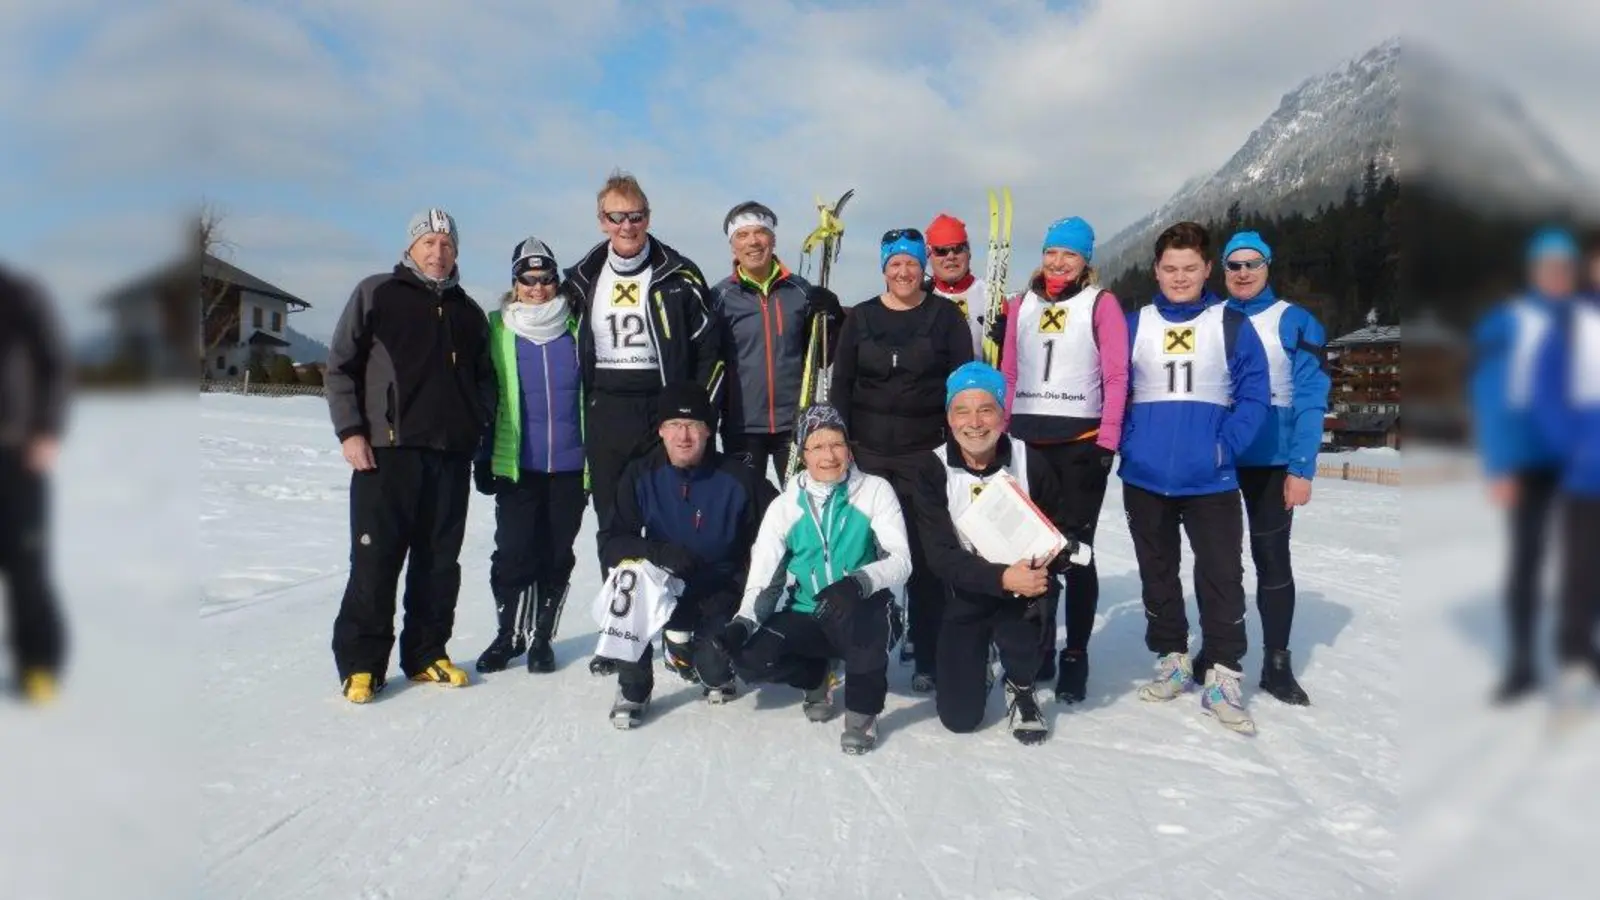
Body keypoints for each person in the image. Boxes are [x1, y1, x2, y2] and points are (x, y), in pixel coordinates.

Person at [326, 208, 495, 703]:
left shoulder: (468, 311)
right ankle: (361, 664)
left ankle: (426, 653)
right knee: (376, 559)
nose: (437, 252)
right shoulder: (377, 293)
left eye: (446, 244)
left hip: (449, 456)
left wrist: (476, 422)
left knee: (439, 561)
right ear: (410, 249)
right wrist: (351, 431)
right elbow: (341, 368)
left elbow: (485, 379)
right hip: (386, 454)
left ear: (456, 251)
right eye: (429, 243)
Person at [565, 171, 723, 676]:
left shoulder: (681, 274)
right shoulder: (581, 278)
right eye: (616, 216)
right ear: (601, 220)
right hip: (608, 405)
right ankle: (622, 629)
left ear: (648, 218)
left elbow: (710, 351)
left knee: (674, 513)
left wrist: (698, 413)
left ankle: (680, 623)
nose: (626, 225)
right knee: (615, 520)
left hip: (662, 402)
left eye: (635, 216)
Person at [1119, 221, 1269, 734]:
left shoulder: (1230, 323)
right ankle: (1173, 657)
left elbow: (1254, 394)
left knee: (1222, 575)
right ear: (1155, 270)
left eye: (1189, 268)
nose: (1179, 277)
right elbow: (1112, 386)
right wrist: (1127, 441)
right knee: (1157, 572)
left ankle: (1224, 675)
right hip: (1144, 476)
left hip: (1212, 480)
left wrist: (1226, 445)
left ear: (1207, 269)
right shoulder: (1134, 322)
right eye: (1169, 268)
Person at [721, 405, 912, 755]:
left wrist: (858, 582)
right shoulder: (784, 507)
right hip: (810, 612)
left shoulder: (873, 491)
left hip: (863, 610)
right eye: (817, 446)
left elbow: (901, 560)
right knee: (749, 658)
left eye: (837, 444)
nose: (829, 455)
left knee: (867, 631)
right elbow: (764, 581)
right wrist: (743, 623)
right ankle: (816, 676)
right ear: (802, 453)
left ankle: (862, 713)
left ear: (848, 449)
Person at [830, 228, 974, 692]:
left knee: (923, 557)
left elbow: (960, 388)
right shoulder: (862, 317)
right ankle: (854, 647)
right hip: (868, 456)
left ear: (923, 265)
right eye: (895, 263)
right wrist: (840, 442)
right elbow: (842, 384)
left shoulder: (945, 318)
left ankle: (926, 650)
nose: (904, 271)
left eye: (912, 262)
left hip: (922, 456)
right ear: (884, 268)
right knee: (862, 553)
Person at [910, 362, 1076, 744]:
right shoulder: (932, 469)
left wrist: (1057, 555)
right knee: (959, 719)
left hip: (1023, 591)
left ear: (1003, 413)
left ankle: (1020, 684)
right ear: (949, 416)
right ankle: (978, 662)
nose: (975, 422)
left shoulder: (1029, 460)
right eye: (962, 410)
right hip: (963, 594)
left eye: (986, 409)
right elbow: (940, 555)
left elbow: (1062, 528)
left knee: (1028, 622)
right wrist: (1000, 576)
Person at [999, 215, 1128, 703]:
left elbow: (1117, 377)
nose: (1058, 262)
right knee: (1034, 551)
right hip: (1028, 444)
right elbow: (1009, 374)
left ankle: (1076, 653)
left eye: (1069, 255)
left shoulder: (1102, 304)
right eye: (1052, 252)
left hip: (1081, 442)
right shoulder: (1022, 304)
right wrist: (1003, 432)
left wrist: (1107, 444)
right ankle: (1040, 644)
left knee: (1076, 553)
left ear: (1085, 261)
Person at [601, 382, 774, 727]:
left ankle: (697, 655)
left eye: (693, 425)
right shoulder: (641, 474)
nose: (684, 436)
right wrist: (658, 552)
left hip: (721, 589)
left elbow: (779, 530)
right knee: (626, 580)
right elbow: (612, 542)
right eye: (675, 426)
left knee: (715, 669)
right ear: (661, 430)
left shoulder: (739, 478)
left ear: (708, 431)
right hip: (664, 589)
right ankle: (634, 688)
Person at [1215, 230, 1332, 706]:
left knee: (1272, 561)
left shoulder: (1296, 321)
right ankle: (1219, 651)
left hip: (1272, 460)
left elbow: (1310, 400)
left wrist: (1302, 468)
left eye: (1252, 264)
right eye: (1233, 265)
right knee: (1218, 564)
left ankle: (1277, 664)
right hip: (1220, 458)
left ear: (1267, 266)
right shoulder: (1210, 319)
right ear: (1222, 270)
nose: (1243, 273)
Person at [1469, 227, 1580, 703]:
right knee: (1528, 562)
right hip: (1529, 460)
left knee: (1583, 561)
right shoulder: (1510, 322)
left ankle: (1578, 651)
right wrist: (1499, 465)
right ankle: (1522, 663)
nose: (1557, 276)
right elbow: (1491, 397)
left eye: (1564, 268)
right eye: (1548, 267)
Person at [471, 238, 586, 675]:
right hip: (518, 465)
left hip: (571, 468)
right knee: (514, 552)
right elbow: (488, 394)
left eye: (546, 279)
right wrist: (482, 455)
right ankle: (508, 636)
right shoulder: (498, 327)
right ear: (514, 283)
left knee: (556, 554)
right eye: (528, 280)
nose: (538, 288)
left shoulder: (576, 326)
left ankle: (541, 639)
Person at [710, 200, 844, 483]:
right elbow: (710, 361)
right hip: (742, 425)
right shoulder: (719, 298)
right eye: (742, 235)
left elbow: (822, 357)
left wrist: (834, 319)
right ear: (733, 246)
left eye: (760, 232)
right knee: (747, 506)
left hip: (795, 423)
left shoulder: (799, 291)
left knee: (801, 502)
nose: (753, 242)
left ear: (773, 239)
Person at [1529, 247, 1600, 711]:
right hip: (1585, 473)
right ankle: (1576, 661)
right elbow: (1545, 391)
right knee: (1582, 569)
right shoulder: (1571, 324)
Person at [0, 264, 69, 704]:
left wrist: (46, 429)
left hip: (17, 452)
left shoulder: (19, 295)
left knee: (26, 564)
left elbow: (54, 363)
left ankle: (38, 665)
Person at [923, 213, 989, 357]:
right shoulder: (921, 297)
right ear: (929, 256)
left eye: (958, 249)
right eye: (941, 251)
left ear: (968, 253)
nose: (950, 256)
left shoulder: (989, 294)